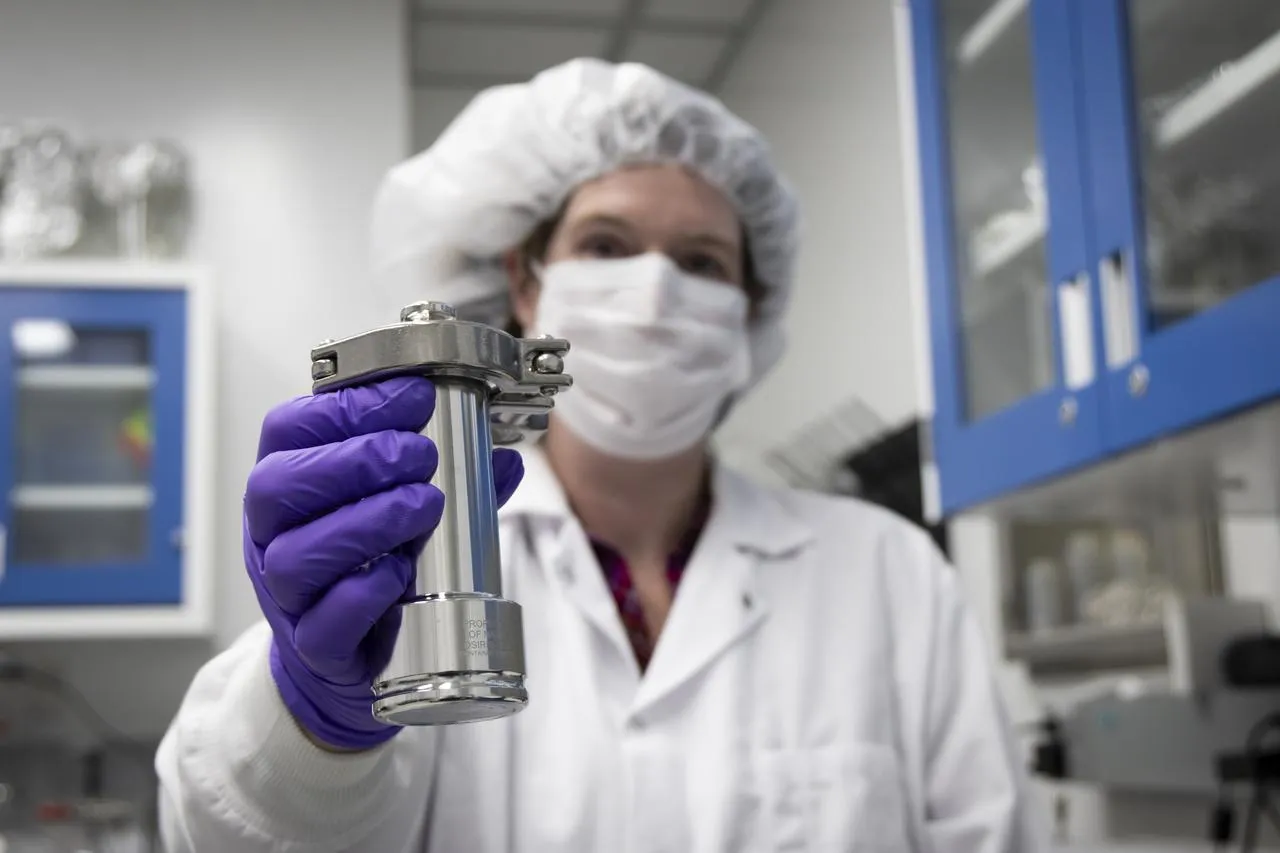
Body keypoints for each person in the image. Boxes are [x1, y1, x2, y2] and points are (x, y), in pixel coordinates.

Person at [156, 58, 1047, 852]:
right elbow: (230, 830)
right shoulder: (418, 557)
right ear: (525, 280)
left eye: (701, 261)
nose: (655, 292)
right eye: (608, 246)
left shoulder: (890, 572)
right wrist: (317, 728)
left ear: (749, 311)